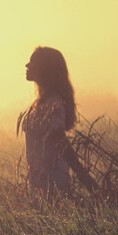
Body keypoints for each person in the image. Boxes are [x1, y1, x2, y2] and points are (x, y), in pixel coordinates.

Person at [20, 46, 96, 194]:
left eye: (32, 62)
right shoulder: (41, 103)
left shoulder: (53, 104)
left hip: (52, 183)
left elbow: (61, 143)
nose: (27, 65)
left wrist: (83, 176)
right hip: (39, 183)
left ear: (45, 68)